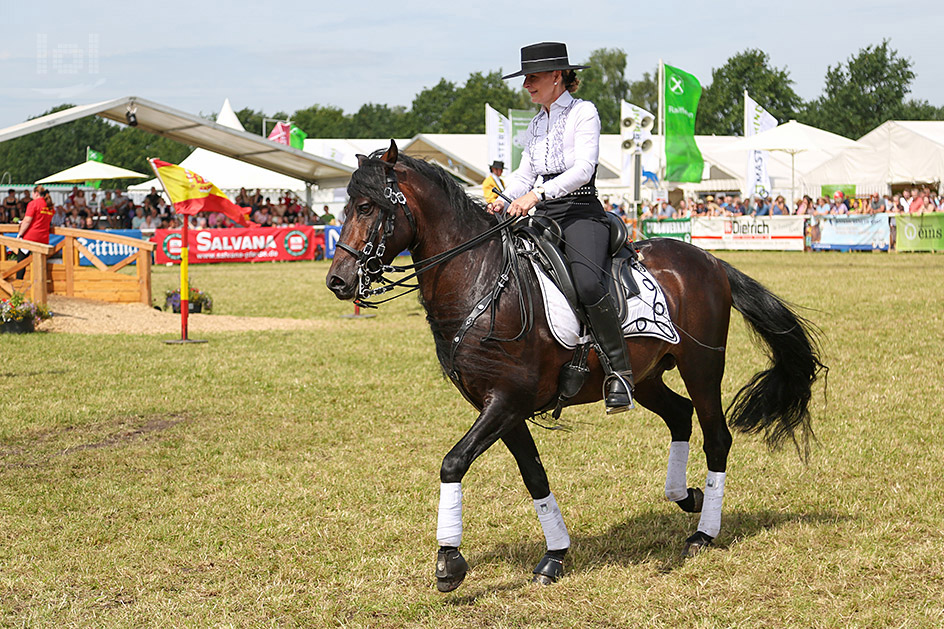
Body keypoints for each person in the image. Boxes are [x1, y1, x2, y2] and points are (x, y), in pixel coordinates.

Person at [487, 42, 632, 413]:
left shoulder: (584, 113)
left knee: (586, 282)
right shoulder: (536, 123)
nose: (526, 85)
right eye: (525, 78)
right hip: (545, 214)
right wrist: (502, 198)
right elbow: (523, 174)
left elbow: (583, 168)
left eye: (532, 77)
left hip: (581, 212)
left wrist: (536, 195)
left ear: (557, 76)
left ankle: (620, 372)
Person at [14, 185, 55, 279]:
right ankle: (40, 285)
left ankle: (18, 285)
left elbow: (27, 221)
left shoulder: (33, 203)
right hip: (43, 238)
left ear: (36, 193)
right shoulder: (50, 206)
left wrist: (20, 234)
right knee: (40, 264)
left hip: (30, 237)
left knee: (21, 262)